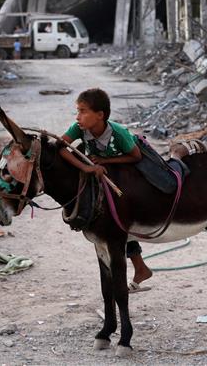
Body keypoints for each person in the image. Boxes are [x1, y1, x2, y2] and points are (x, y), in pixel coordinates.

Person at [59, 88, 153, 293]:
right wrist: (87, 167)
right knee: (111, 224)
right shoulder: (79, 128)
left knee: (120, 222)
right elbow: (59, 147)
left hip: (123, 176)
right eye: (77, 111)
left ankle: (139, 268)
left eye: (83, 111)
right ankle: (140, 267)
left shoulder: (118, 133)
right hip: (98, 174)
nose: (78, 117)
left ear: (100, 115)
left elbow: (136, 157)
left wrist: (106, 161)